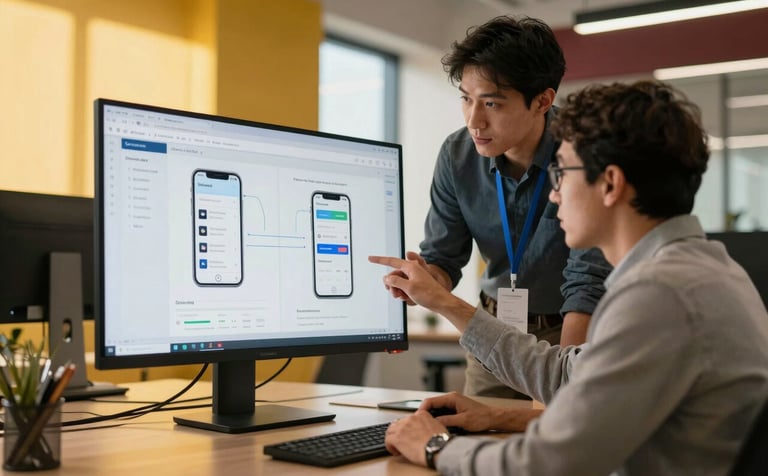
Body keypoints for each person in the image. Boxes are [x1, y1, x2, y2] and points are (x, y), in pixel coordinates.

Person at [370, 80, 768, 475]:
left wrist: (434, 447)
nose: (555, 193)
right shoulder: (705, 270)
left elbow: (549, 465)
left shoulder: (661, 294)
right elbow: (568, 375)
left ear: (610, 183)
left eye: (563, 172)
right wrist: (496, 415)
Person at [387, 15, 610, 398]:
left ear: (542, 101)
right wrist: (424, 282)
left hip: (572, 325)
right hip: (493, 327)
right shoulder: (458, 155)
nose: (475, 120)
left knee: (559, 439)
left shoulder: (582, 154)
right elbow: (444, 255)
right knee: (477, 437)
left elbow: (586, 283)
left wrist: (566, 380)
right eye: (466, 99)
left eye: (491, 103)